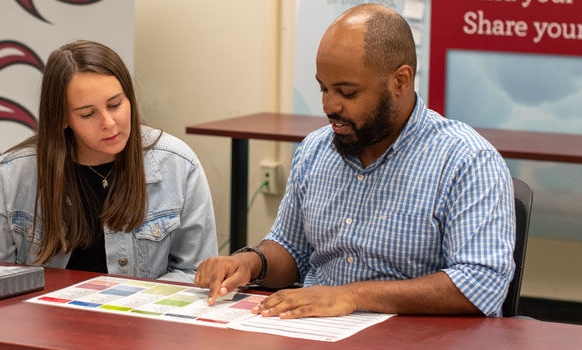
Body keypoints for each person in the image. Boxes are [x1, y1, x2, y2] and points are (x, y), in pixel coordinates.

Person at [195, 4, 515, 317]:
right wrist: (250, 263)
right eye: (323, 88)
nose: (329, 106)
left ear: (400, 81)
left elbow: (480, 284)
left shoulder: (467, 160)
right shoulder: (315, 151)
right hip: (317, 333)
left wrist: (351, 296)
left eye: (347, 93)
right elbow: (291, 248)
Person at [0, 40, 217, 283]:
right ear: (62, 118)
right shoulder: (15, 172)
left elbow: (195, 273)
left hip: (141, 319)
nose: (109, 123)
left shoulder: (178, 164)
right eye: (88, 114)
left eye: (115, 104)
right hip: (44, 320)